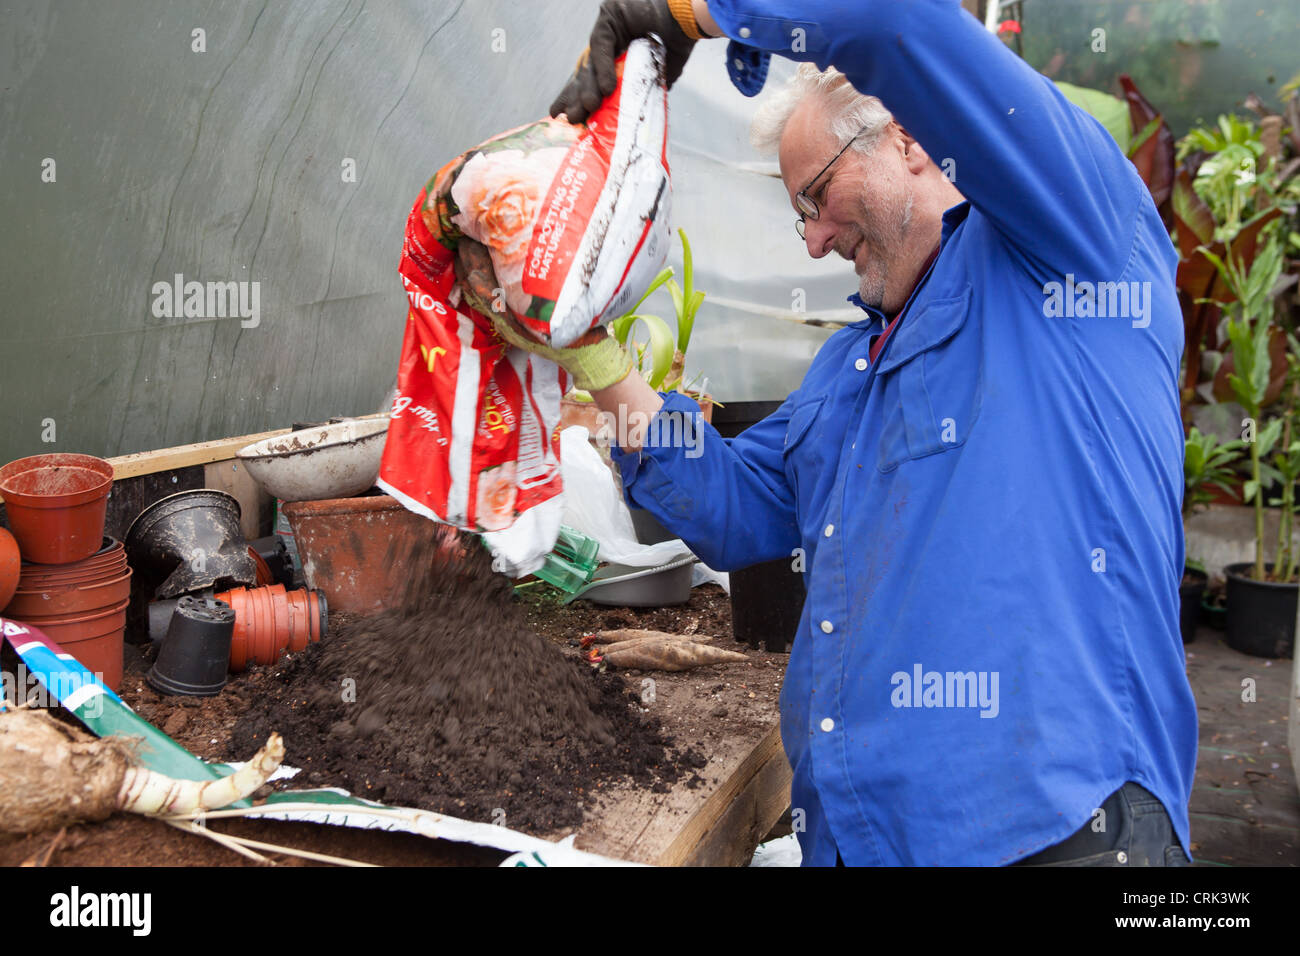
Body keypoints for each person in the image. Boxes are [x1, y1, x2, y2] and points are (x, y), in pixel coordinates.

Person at [498, 0, 1197, 866]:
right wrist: (595, 357)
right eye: (800, 215)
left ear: (908, 139)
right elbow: (734, 506)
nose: (816, 241)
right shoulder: (849, 371)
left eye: (820, 196)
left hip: (1060, 837)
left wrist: (691, 14)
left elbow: (894, 17)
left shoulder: (1066, 249)